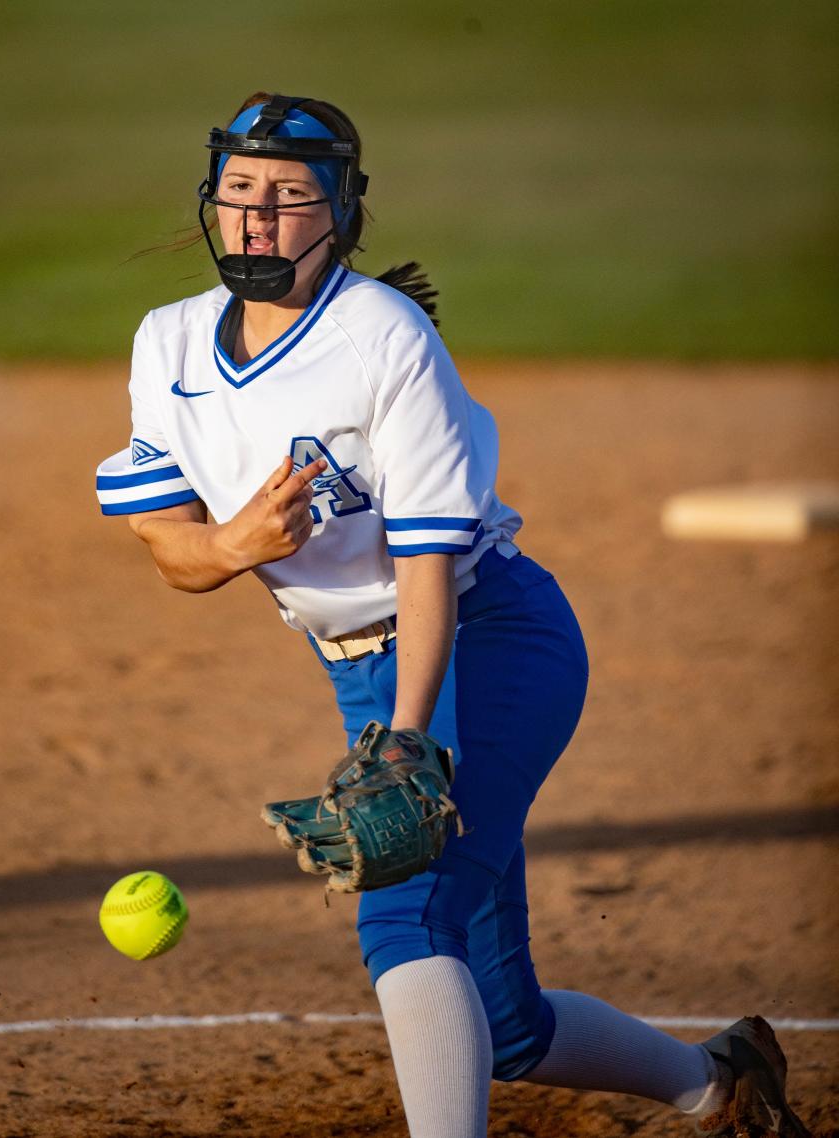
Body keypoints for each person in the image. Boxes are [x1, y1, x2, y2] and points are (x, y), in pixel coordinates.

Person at [95, 92, 810, 1138]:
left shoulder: (385, 337)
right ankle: (721, 1080)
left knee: (401, 913)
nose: (258, 218)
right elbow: (169, 545)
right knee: (504, 1024)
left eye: (290, 197)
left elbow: (428, 560)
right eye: (240, 192)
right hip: (365, 676)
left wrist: (415, 737)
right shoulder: (170, 345)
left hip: (487, 641)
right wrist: (234, 544)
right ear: (212, 202)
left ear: (339, 212)